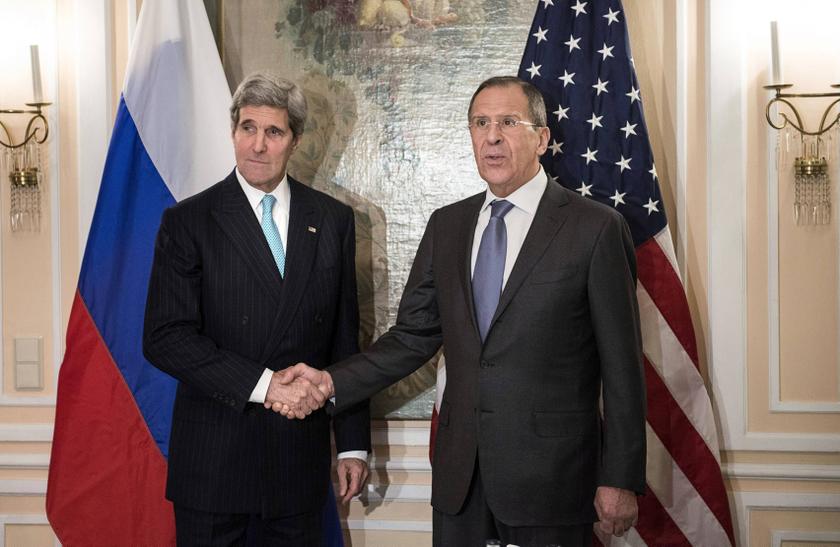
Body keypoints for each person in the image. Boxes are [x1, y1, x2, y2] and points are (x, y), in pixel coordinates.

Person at [276, 76, 646, 546]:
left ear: (542, 138)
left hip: (552, 480)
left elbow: (622, 367)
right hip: (460, 479)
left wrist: (620, 478)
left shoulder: (595, 228)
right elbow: (411, 337)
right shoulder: (447, 225)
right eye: (480, 123)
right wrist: (330, 382)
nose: (492, 137)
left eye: (508, 122)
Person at [143, 71, 370, 546]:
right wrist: (266, 386)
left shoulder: (332, 220)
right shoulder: (189, 221)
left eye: (274, 132)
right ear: (233, 131)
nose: (258, 145)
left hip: (297, 462)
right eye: (248, 128)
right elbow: (165, 338)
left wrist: (352, 444)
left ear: (296, 140)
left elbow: (343, 339)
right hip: (214, 465)